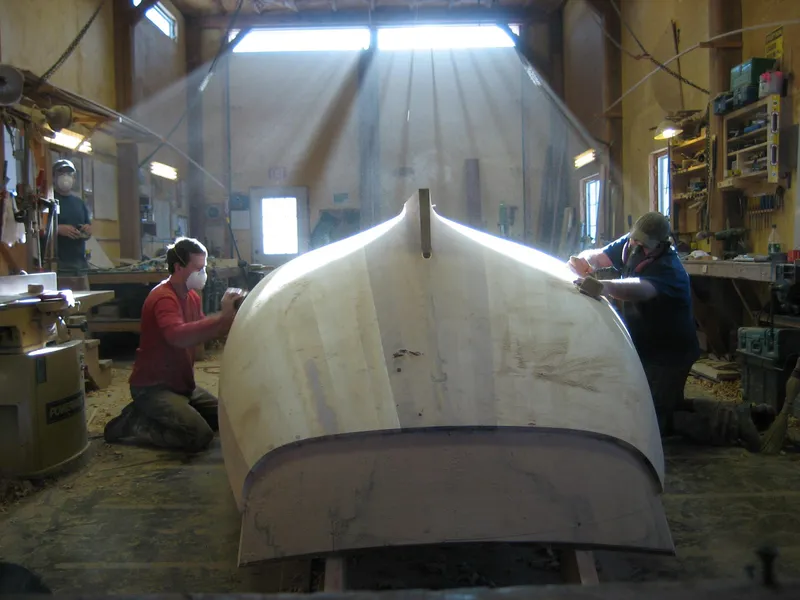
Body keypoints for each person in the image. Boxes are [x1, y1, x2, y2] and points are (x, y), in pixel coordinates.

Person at [104, 237, 245, 452]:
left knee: (224, 420)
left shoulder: (192, 297)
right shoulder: (163, 298)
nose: (203, 274)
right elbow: (177, 336)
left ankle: (172, 410)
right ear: (178, 267)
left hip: (181, 384)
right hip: (153, 387)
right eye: (198, 268)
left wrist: (231, 319)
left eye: (204, 268)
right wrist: (221, 320)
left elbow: (199, 332)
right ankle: (134, 423)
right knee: (198, 435)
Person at [568, 212, 700, 436]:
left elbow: (639, 288)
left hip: (669, 356)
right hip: (645, 348)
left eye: (644, 246)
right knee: (652, 406)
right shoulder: (631, 244)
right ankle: (735, 415)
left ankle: (732, 422)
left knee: (655, 424)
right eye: (634, 241)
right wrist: (583, 261)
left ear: (660, 246)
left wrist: (606, 287)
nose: (636, 249)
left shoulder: (669, 269)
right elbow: (599, 257)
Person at [53, 159, 91, 274]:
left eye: (69, 174)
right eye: (61, 174)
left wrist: (87, 230)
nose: (65, 177)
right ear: (53, 177)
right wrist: (58, 229)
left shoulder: (79, 203)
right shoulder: (48, 201)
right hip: (58, 264)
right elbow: (40, 227)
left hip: (80, 263)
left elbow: (88, 226)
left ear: (74, 179)